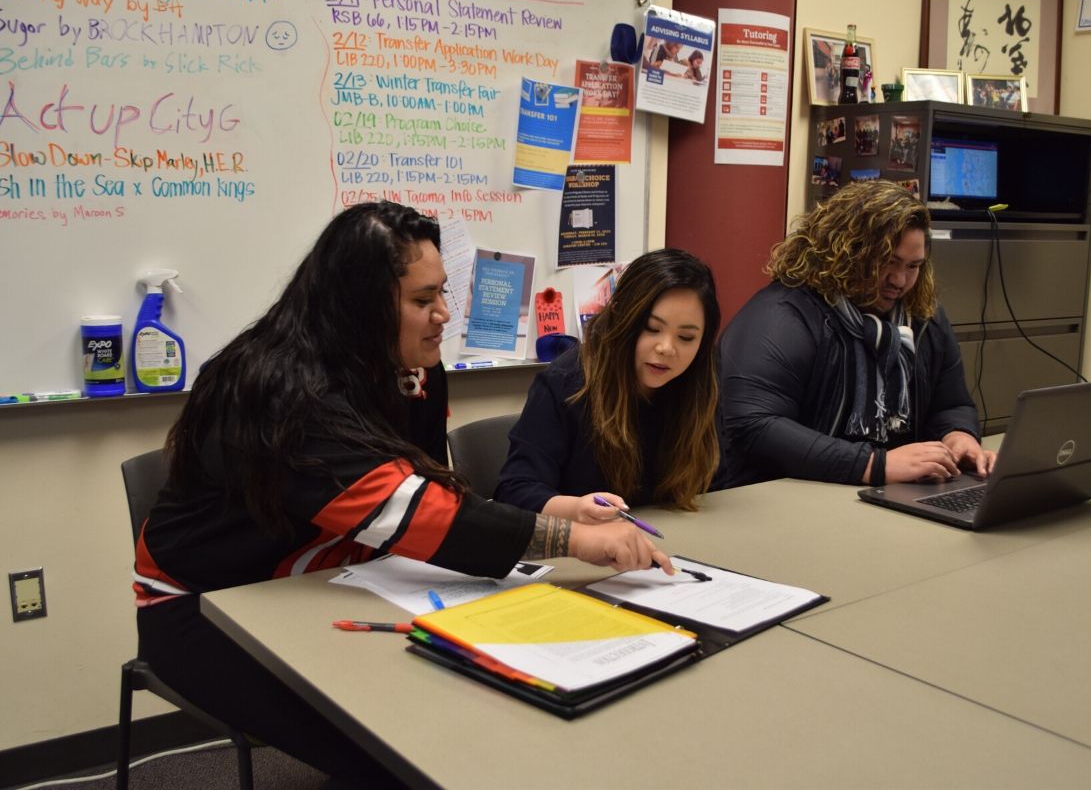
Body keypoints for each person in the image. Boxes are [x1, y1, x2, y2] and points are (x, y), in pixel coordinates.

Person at [134, 202, 672, 787]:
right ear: (359, 306)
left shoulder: (411, 367)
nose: (444, 314)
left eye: (443, 292)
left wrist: (557, 511)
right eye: (422, 301)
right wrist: (574, 540)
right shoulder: (276, 390)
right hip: (210, 607)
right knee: (392, 747)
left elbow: (429, 491)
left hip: (344, 577)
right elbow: (416, 515)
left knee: (479, 690)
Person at [718, 181, 996, 489]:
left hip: (889, 487)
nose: (899, 280)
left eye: (913, 266)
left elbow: (951, 404)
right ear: (845, 252)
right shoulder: (782, 314)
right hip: (795, 491)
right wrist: (874, 464)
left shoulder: (923, 317)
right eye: (888, 262)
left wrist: (959, 436)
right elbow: (755, 425)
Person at [494, 249, 721, 523]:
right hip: (579, 548)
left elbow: (719, 482)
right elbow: (514, 492)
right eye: (651, 328)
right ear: (620, 316)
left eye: (686, 337)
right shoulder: (567, 382)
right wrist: (576, 509)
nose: (666, 348)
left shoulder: (699, 384)